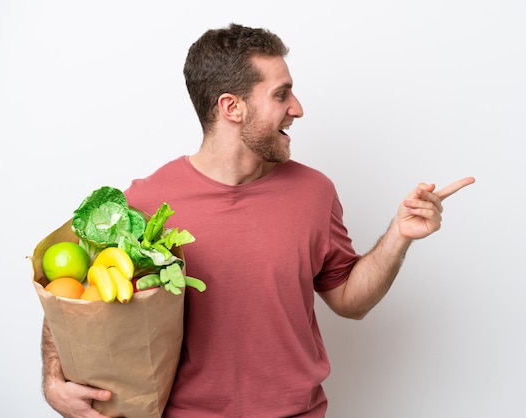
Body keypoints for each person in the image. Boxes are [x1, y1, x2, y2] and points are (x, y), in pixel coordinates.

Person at [41, 23, 475, 418]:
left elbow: (349, 301)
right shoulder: (146, 203)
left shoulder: (315, 193)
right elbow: (74, 295)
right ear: (232, 107)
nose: (298, 108)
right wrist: (53, 380)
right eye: (281, 94)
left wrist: (399, 235)